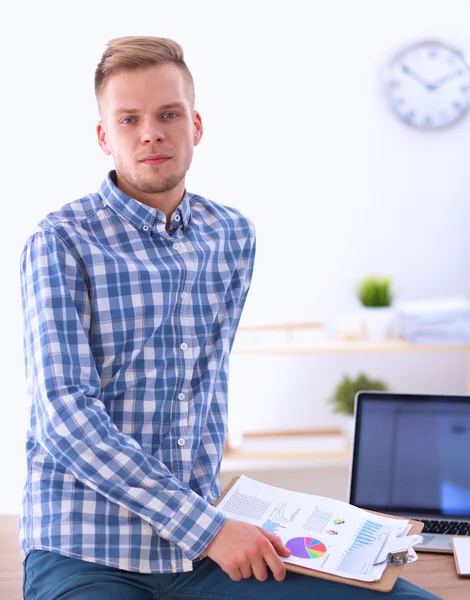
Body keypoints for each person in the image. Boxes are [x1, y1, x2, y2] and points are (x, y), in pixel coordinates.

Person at [19, 36, 440, 600]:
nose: (151, 133)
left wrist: (228, 523)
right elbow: (64, 415)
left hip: (207, 548)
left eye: (168, 114)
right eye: (129, 119)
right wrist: (210, 527)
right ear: (104, 136)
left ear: (195, 125)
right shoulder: (59, 241)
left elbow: (199, 385)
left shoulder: (232, 235)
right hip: (88, 548)